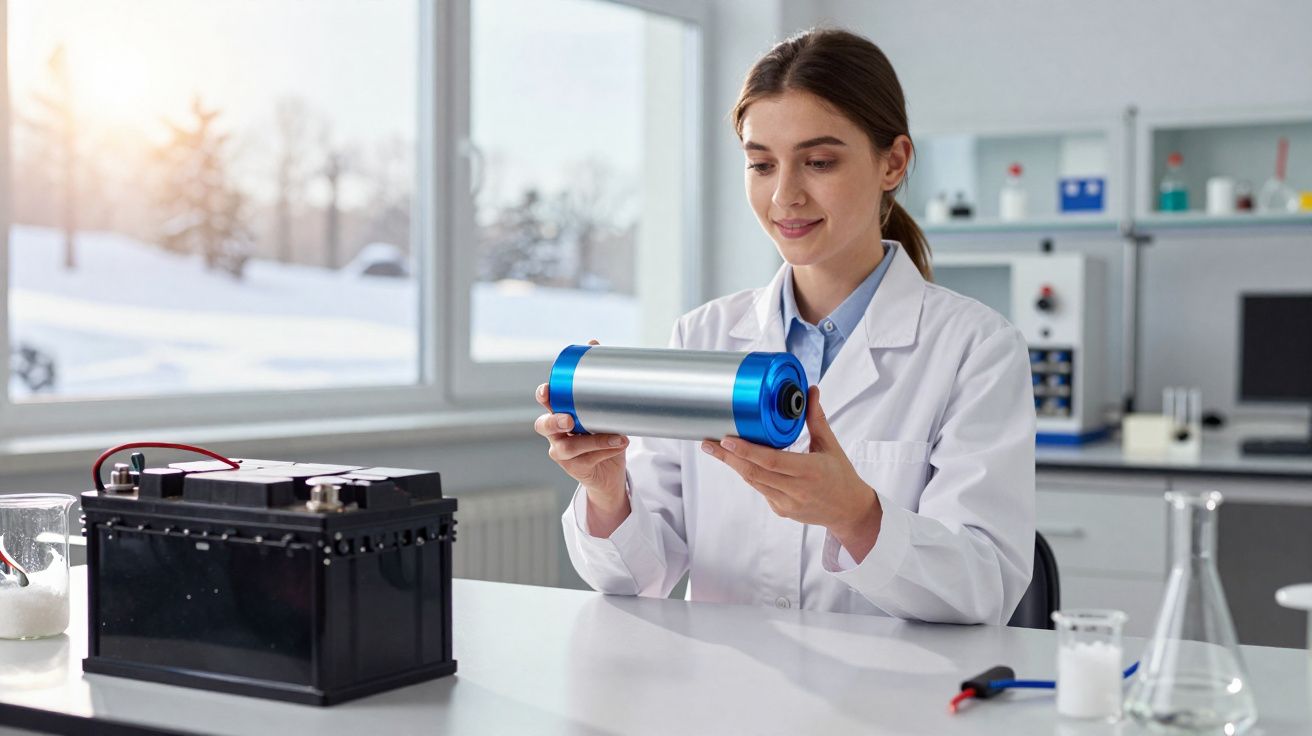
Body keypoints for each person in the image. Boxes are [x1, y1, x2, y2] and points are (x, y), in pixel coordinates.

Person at [533, 28, 1035, 625]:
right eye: (761, 164)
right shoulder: (702, 336)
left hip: (887, 683)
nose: (784, 195)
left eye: (819, 162)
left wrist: (856, 515)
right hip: (726, 680)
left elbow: (984, 587)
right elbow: (634, 578)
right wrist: (607, 490)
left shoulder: (976, 349)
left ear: (893, 162)